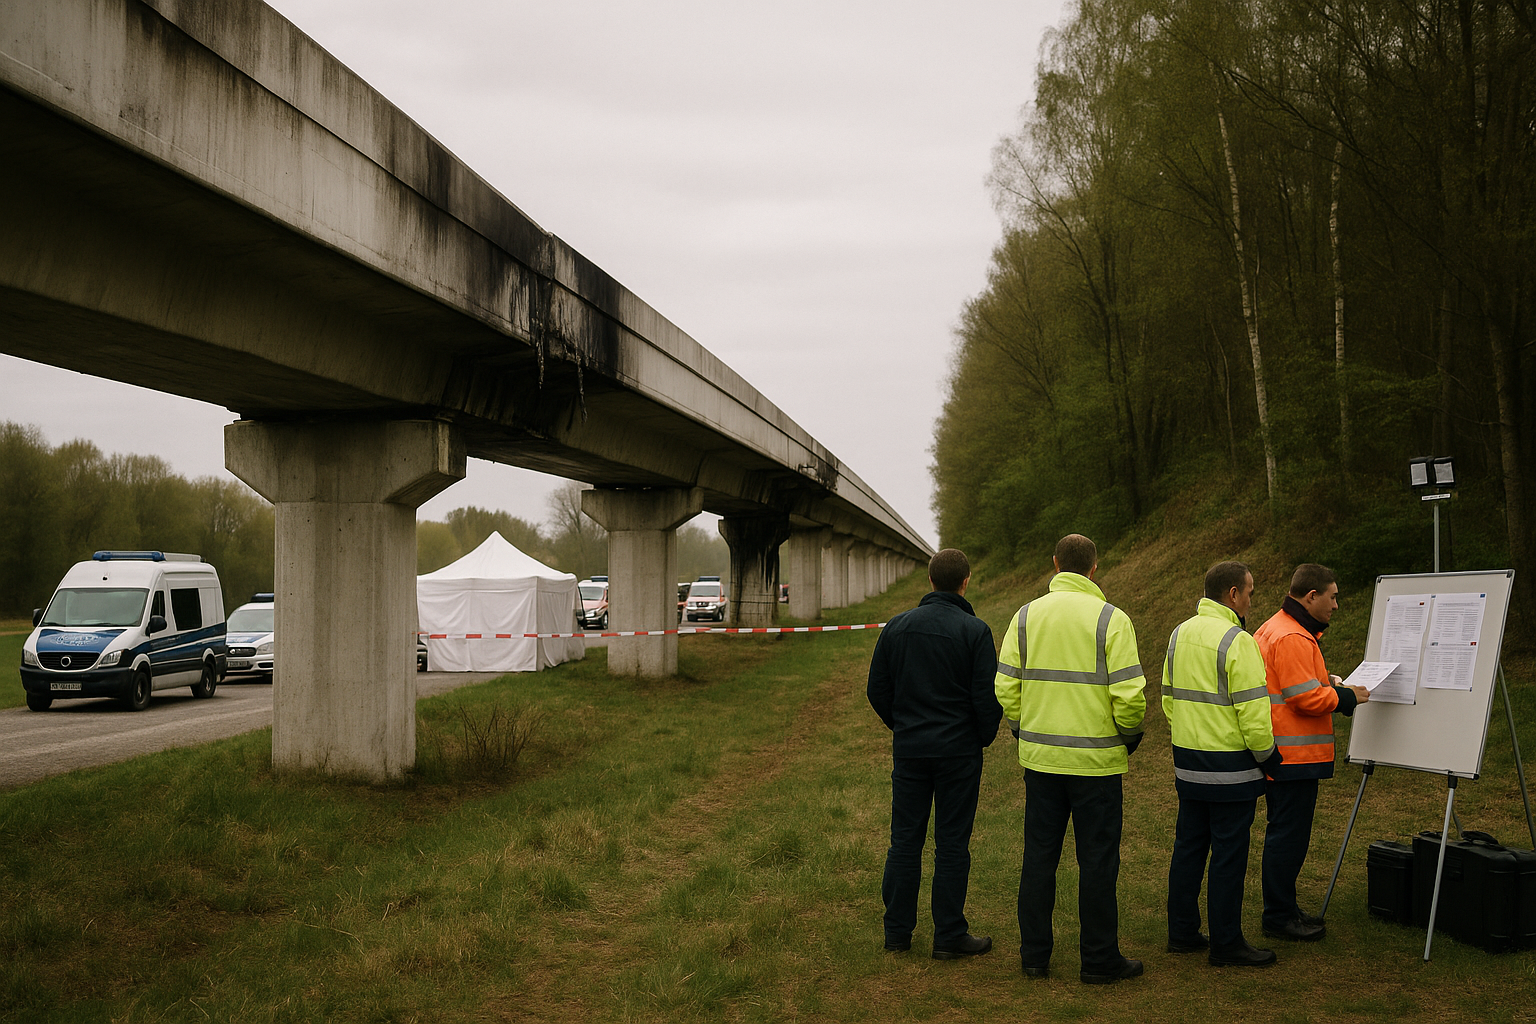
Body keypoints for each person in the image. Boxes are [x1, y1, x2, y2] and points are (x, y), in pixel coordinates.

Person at [994, 534, 1147, 984]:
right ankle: (1099, 960)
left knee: (1038, 858)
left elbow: (1005, 687)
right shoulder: (1112, 620)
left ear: (1055, 563)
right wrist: (1127, 737)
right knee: (1098, 862)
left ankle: (1034, 958)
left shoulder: (1024, 617)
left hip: (1040, 761)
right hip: (1096, 766)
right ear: (1094, 569)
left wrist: (1025, 728)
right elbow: (1130, 696)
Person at [867, 547, 1003, 960]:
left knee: (904, 841)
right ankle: (948, 936)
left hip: (911, 752)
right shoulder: (975, 631)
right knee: (951, 844)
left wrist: (904, 726)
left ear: (930, 581)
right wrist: (979, 737)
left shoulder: (896, 627)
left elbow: (877, 690)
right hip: (958, 754)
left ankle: (897, 935)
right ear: (965, 581)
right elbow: (986, 698)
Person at [1163, 561, 1282, 968]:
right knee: (1228, 855)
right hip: (1232, 770)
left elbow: (1168, 698)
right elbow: (1253, 714)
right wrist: (1270, 757)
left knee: (1188, 849)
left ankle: (1181, 932)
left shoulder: (1179, 634)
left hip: (1188, 764)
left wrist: (1191, 739)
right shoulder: (1237, 640)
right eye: (1249, 591)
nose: (1251, 599)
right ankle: (1226, 943)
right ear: (1233, 594)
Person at [1254, 563, 1369, 942]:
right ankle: (1279, 917)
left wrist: (1328, 682)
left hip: (1282, 753)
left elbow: (1292, 684)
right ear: (1311, 596)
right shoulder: (1293, 636)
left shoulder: (1279, 628)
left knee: (1285, 834)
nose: (1337, 605)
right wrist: (1348, 695)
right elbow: (1302, 697)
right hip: (1293, 757)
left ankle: (1284, 907)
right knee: (1288, 837)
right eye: (1332, 597)